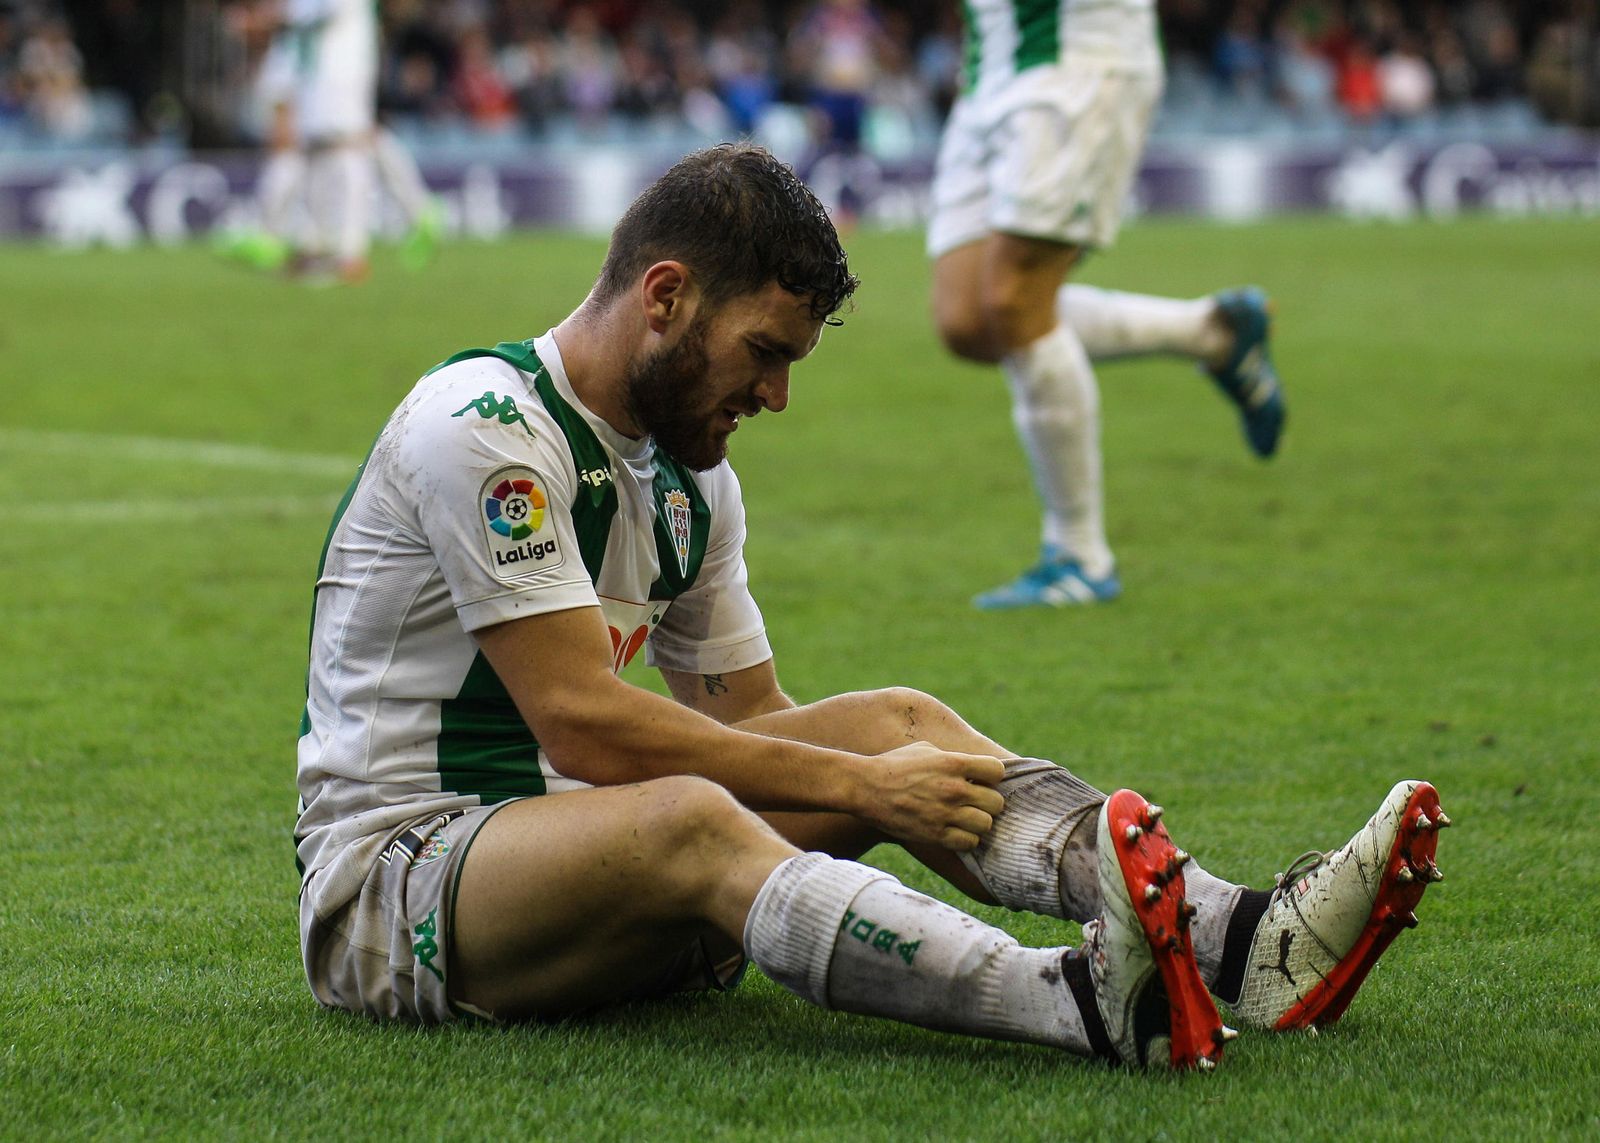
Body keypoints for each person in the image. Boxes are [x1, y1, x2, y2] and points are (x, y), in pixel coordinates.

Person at [295, 143, 1447, 1068]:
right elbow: (581, 724)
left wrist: (872, 773)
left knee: (892, 721)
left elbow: (752, 723)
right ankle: (1080, 1005)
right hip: (402, 882)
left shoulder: (693, 480)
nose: (776, 395)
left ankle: (1248, 939)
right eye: (761, 351)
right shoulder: (485, 426)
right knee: (707, 810)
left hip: (583, 876)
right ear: (665, 296)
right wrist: (857, 792)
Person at [927, 0, 1288, 609]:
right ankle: (1215, 334)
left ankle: (1079, 556)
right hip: (991, 61)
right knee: (968, 320)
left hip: (1077, 57)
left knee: (1015, 297)